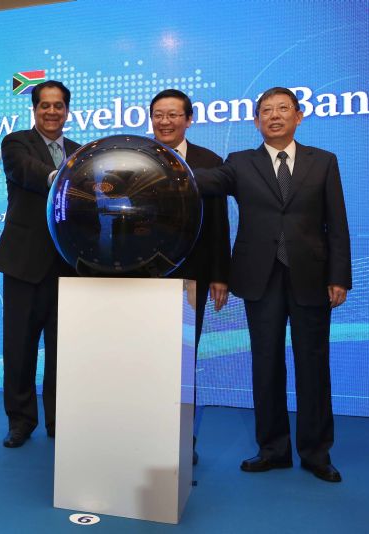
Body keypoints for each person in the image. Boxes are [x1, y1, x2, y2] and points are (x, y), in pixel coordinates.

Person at [194, 87, 351, 482]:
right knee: (265, 365)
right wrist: (159, 165)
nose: (275, 116)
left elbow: (337, 224)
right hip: (258, 277)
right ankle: (273, 449)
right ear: (256, 121)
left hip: (312, 277)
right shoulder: (240, 163)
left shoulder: (324, 162)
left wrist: (339, 276)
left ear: (299, 116)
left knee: (313, 365)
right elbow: (204, 181)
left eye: (283, 109)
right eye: (266, 111)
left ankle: (316, 453)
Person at [0, 81, 80, 448]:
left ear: (67, 111)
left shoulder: (79, 152)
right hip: (24, 263)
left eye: (58, 106)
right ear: (35, 109)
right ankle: (20, 421)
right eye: (45, 106)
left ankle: (61, 420)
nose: (52, 113)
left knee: (65, 350)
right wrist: (63, 178)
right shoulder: (16, 143)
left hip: (70, 267)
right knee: (20, 348)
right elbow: (25, 171)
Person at [149, 89, 231, 465]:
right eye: (158, 115)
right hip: (141, 280)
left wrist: (219, 275)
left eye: (172, 115)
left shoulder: (209, 162)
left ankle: (182, 439)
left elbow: (218, 225)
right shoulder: (134, 157)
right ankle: (143, 430)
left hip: (191, 279)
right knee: (144, 360)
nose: (165, 122)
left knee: (181, 362)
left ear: (188, 119)